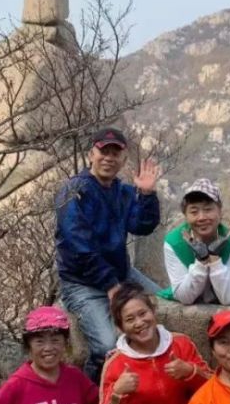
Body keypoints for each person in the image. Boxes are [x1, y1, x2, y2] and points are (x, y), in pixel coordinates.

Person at [55, 126, 162, 383]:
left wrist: (147, 195)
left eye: (115, 153)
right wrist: (111, 286)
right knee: (106, 345)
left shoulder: (122, 192)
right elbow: (78, 246)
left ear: (123, 159)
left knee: (164, 305)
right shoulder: (75, 191)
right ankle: (94, 401)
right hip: (82, 282)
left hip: (120, 274)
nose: (109, 158)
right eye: (104, 151)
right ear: (92, 153)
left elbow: (142, 226)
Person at [159, 178, 230, 306]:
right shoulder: (174, 243)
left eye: (208, 210)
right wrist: (201, 262)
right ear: (185, 216)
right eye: (194, 212)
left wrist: (215, 260)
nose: (201, 217)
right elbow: (184, 297)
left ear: (219, 211)